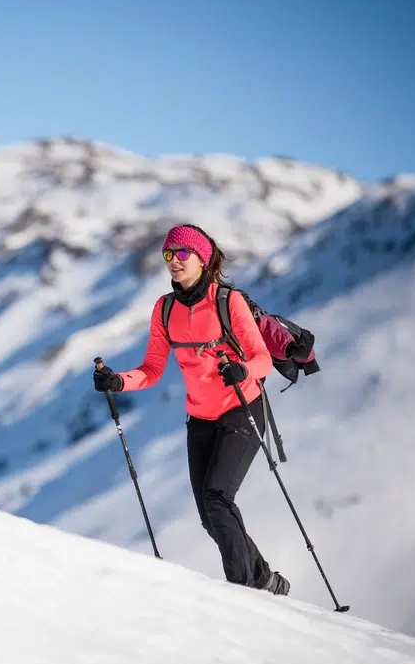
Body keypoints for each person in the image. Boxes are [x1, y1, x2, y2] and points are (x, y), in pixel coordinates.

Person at [93, 223, 290, 596]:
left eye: (182, 254)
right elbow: (152, 370)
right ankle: (265, 579)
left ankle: (245, 591)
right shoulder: (165, 309)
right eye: (168, 254)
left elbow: (261, 359)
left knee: (217, 498)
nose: (174, 261)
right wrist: (118, 381)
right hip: (200, 417)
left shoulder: (227, 302)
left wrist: (242, 370)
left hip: (243, 407)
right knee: (208, 515)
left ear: (203, 258)